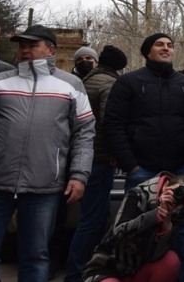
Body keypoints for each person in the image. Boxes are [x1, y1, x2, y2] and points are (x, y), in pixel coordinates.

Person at [0, 25, 95, 282]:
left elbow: (85, 131)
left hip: (45, 186)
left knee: (35, 256)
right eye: (21, 46)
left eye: (32, 45)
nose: (25, 50)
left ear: (50, 50)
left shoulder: (71, 84)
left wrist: (79, 175)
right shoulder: (0, 82)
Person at [104, 33, 184, 282]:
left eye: (169, 45)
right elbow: (113, 124)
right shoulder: (128, 82)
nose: (166, 48)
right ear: (148, 52)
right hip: (142, 171)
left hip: (181, 171)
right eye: (160, 45)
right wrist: (131, 165)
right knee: (137, 231)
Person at [65, 46, 129, 282]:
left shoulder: (86, 80)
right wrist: (116, 153)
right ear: (120, 67)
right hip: (99, 159)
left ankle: (88, 269)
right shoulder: (109, 83)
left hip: (82, 156)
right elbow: (108, 122)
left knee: (95, 217)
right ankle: (76, 273)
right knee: (92, 219)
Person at [82, 173, 184, 282]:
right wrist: (155, 215)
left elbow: (155, 255)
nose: (175, 197)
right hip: (108, 268)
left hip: (138, 270)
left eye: (180, 196)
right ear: (165, 184)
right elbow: (118, 234)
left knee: (170, 261)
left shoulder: (177, 212)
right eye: (175, 191)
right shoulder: (138, 194)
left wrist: (165, 225)